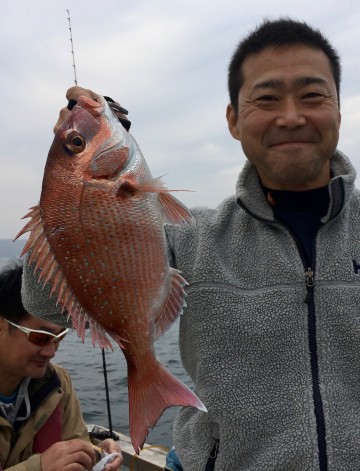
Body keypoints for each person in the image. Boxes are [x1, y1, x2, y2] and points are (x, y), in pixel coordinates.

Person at [21, 15, 360, 471]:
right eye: (267, 98)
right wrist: (64, 202)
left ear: (339, 109)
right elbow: (42, 300)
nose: (291, 115)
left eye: (313, 95)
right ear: (234, 121)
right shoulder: (195, 237)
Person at [0, 261, 123, 470]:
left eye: (59, 337)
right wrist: (38, 467)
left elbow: (76, 439)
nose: (51, 351)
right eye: (41, 337)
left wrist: (96, 454)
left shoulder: (57, 383)